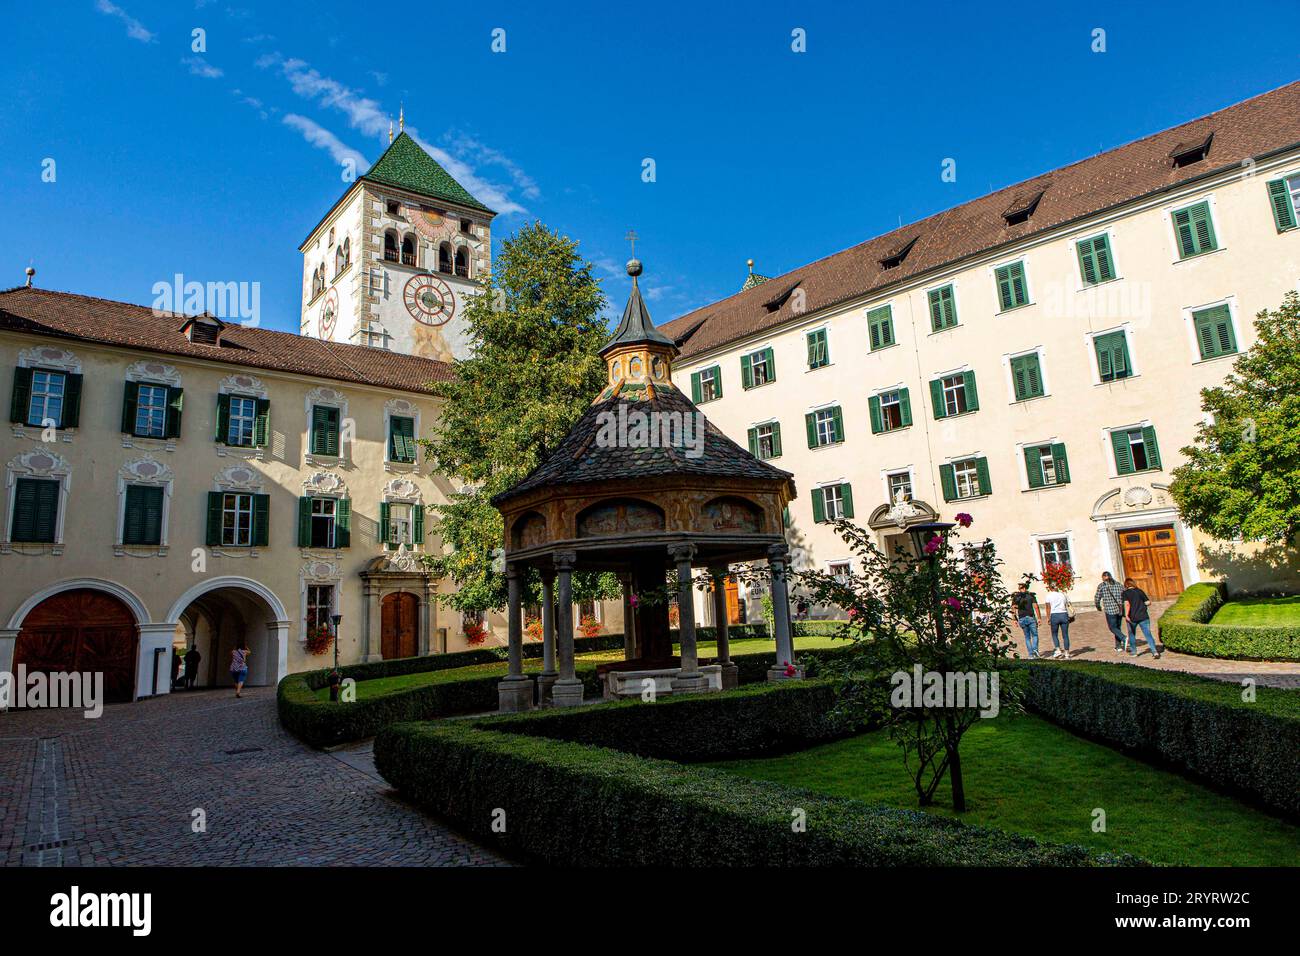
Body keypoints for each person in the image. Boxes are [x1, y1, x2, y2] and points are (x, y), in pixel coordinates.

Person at [1122, 577, 1160, 659]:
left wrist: (1126, 615)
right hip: (1143, 616)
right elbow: (1148, 602)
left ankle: (1134, 652)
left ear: (1126, 585)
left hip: (1132, 617)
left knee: (1132, 634)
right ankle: (1154, 652)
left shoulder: (1125, 593)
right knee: (1148, 634)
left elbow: (1127, 604)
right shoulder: (1140, 591)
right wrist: (1142, 604)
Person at [1094, 571, 1127, 653]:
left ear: (1103, 577)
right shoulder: (1118, 584)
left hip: (1110, 610)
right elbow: (1125, 594)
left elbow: (1097, 598)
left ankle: (1124, 638)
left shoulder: (1102, 586)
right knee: (1117, 627)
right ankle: (1118, 646)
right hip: (1119, 609)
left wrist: (1098, 607)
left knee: (1112, 627)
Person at [1010, 581, 1041, 659]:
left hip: (1022, 618)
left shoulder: (1016, 597)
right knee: (1034, 635)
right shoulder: (1030, 595)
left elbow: (1013, 609)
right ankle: (1035, 650)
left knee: (1027, 637)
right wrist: (1039, 618)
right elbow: (1036, 607)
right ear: (1025, 588)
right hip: (1031, 618)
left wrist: (1014, 619)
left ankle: (1031, 655)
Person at [1044, 588, 1071, 659]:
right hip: (1064, 614)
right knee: (1065, 635)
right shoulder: (1063, 594)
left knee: (1054, 634)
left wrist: (1048, 618)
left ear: (1050, 587)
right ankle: (1067, 653)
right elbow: (1068, 604)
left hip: (1054, 615)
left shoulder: (1049, 595)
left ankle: (1058, 649)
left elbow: (1047, 607)